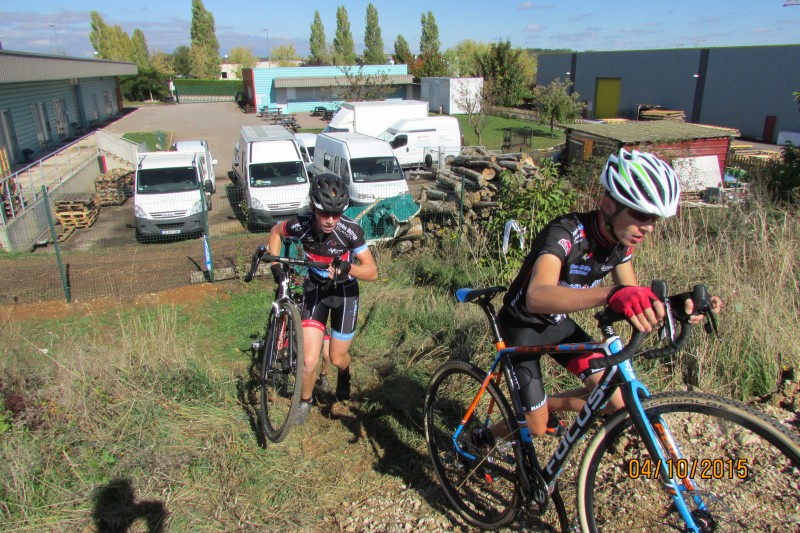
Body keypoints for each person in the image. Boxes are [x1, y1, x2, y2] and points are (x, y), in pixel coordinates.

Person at [479, 149, 722, 442]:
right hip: (521, 327)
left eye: (654, 218)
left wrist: (675, 306)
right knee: (535, 428)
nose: (648, 227)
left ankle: (547, 405)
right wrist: (611, 294)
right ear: (608, 205)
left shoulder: (621, 246)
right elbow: (538, 296)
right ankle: (484, 439)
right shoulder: (565, 232)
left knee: (617, 402)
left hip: (557, 325)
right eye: (641, 214)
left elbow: (632, 297)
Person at [268, 173, 378, 424]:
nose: (330, 221)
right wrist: (275, 264)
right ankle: (305, 401)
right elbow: (275, 232)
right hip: (316, 290)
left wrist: (348, 268)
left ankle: (345, 372)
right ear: (312, 208)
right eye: (324, 213)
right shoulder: (300, 224)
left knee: (337, 358)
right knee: (308, 360)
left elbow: (372, 272)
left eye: (336, 214)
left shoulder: (350, 231)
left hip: (344, 294)